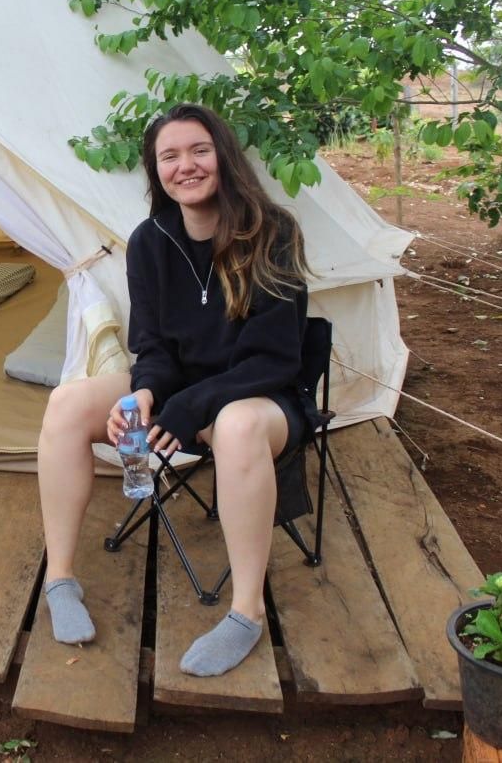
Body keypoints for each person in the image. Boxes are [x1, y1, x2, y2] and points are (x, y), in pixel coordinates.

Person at [36, 102, 314, 677]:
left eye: (199, 151)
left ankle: (246, 610)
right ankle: (59, 578)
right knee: (68, 402)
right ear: (155, 169)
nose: (185, 166)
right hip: (181, 393)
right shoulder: (149, 240)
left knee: (235, 426)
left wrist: (188, 405)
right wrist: (143, 394)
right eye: (169, 156)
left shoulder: (272, 231)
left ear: (223, 157)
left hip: (260, 397)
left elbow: (275, 359)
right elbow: (154, 346)